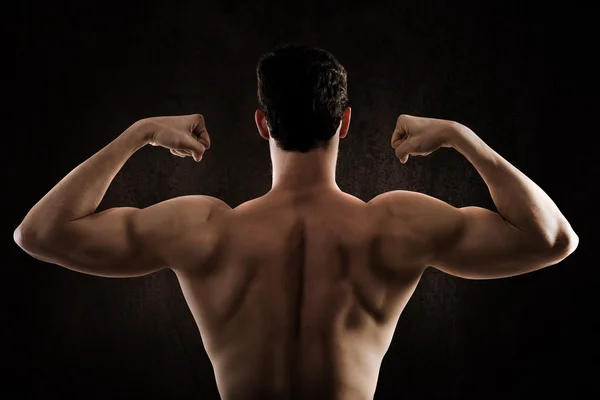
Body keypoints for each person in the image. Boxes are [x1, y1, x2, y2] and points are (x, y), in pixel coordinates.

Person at [13, 43, 578, 399]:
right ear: (347, 123)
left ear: (262, 123)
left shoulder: (207, 230)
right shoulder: (393, 226)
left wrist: (139, 132)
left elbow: (39, 233)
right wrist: (459, 135)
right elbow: (552, 239)